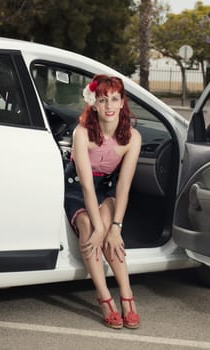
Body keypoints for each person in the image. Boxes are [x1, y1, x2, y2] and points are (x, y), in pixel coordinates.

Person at [64, 74, 142, 329]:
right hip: (77, 187)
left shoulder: (132, 137)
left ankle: (127, 296)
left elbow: (124, 185)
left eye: (114, 99)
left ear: (122, 103)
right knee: (88, 227)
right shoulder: (82, 133)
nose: (109, 106)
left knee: (110, 233)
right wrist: (98, 228)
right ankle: (104, 298)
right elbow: (85, 183)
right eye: (102, 100)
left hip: (107, 189)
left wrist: (115, 227)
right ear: (94, 104)